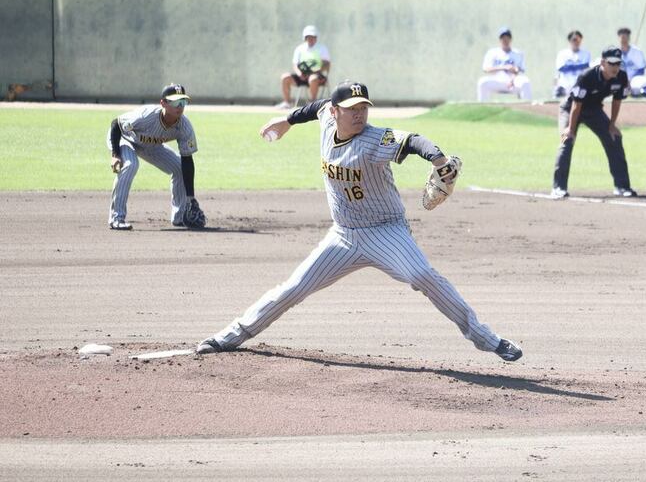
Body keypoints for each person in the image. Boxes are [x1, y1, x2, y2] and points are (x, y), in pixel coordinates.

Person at [195, 81, 523, 363]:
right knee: (294, 287)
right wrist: (287, 120)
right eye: (352, 108)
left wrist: (437, 158)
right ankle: (232, 335)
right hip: (343, 237)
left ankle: (485, 338)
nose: (360, 113)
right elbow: (317, 106)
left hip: (386, 233)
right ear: (336, 111)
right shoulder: (327, 118)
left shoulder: (375, 140)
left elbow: (412, 140)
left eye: (364, 107)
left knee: (424, 275)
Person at [107, 84, 205, 230]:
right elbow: (116, 125)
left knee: (178, 167)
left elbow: (187, 160)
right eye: (176, 102)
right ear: (163, 103)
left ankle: (179, 217)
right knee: (131, 164)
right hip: (125, 138)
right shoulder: (147, 116)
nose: (180, 107)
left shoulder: (185, 127)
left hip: (150, 144)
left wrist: (190, 197)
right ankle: (116, 218)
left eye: (183, 102)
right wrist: (115, 154)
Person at [552, 47, 636, 199]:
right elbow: (576, 105)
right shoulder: (587, 76)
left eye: (618, 63)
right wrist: (570, 129)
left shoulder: (621, 76)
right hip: (571, 108)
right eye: (612, 63)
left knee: (615, 138)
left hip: (593, 110)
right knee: (566, 141)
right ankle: (558, 188)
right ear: (603, 62)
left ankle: (622, 186)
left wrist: (612, 125)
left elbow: (617, 101)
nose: (615, 67)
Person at [277, 25, 331, 109]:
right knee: (285, 77)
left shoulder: (322, 48)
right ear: (305, 38)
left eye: (313, 37)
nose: (311, 39)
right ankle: (287, 103)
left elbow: (327, 64)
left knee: (313, 78)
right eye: (308, 37)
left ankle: (313, 104)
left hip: (317, 76)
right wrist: (299, 74)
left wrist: (316, 70)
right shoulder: (299, 48)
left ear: (316, 37)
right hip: (302, 76)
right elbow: (295, 64)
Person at [477, 27, 532, 102]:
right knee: (482, 82)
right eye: (503, 38)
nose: (505, 40)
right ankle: (483, 108)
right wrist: (504, 67)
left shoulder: (518, 54)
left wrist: (513, 78)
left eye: (507, 38)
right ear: (500, 40)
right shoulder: (492, 52)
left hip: (513, 81)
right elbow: (486, 69)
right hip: (497, 80)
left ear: (511, 39)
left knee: (525, 82)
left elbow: (520, 69)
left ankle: (527, 109)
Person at [553, 30, 591, 99]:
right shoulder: (562, 53)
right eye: (574, 40)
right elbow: (561, 68)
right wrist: (579, 66)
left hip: (580, 83)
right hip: (565, 84)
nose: (577, 42)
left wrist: (569, 66)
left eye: (579, 40)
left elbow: (586, 67)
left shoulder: (586, 53)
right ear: (569, 40)